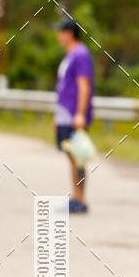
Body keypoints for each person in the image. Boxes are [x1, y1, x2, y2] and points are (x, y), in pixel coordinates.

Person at [54, 17, 94, 214]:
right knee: (71, 156)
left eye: (60, 32)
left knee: (77, 157)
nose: (58, 36)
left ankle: (80, 199)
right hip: (64, 114)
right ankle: (76, 196)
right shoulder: (70, 55)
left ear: (69, 33)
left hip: (73, 115)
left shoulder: (80, 54)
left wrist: (80, 114)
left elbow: (83, 85)